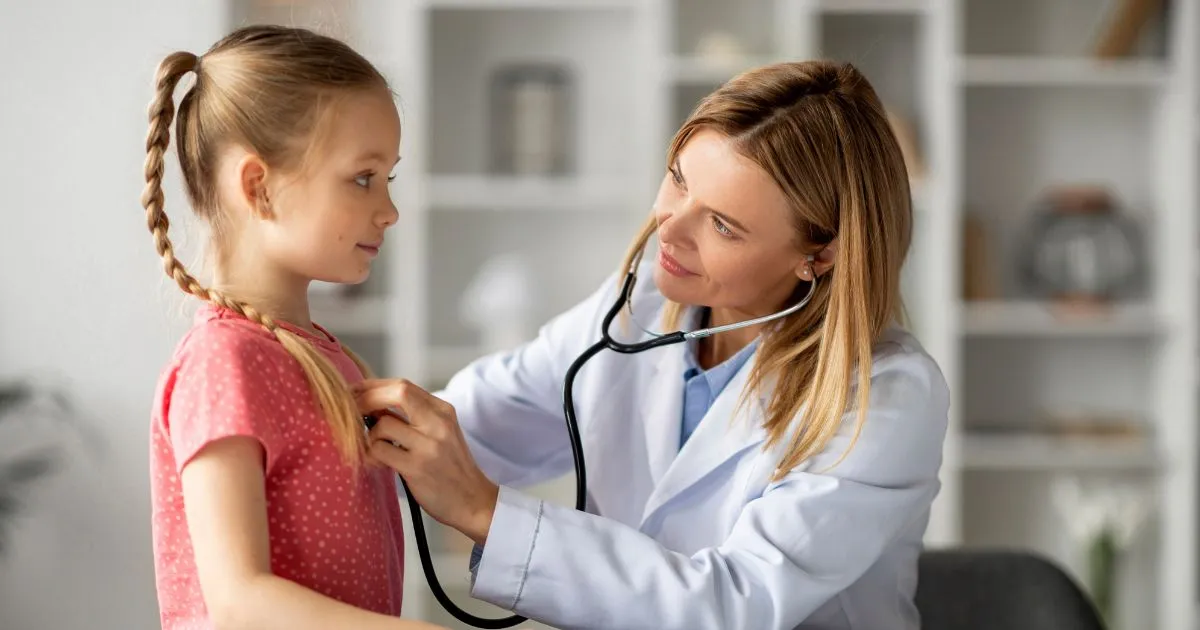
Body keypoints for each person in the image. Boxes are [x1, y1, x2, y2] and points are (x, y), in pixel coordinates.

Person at [358, 60, 950, 630]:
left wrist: (484, 513)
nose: (670, 225)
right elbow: (478, 421)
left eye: (722, 224)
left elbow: (731, 606)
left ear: (818, 255)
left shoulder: (884, 395)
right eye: (678, 180)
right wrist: (331, 409)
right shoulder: (637, 305)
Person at [143, 25, 444, 630]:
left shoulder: (324, 356)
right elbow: (239, 600)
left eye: (389, 177)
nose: (389, 210)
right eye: (363, 177)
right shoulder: (223, 362)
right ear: (260, 188)